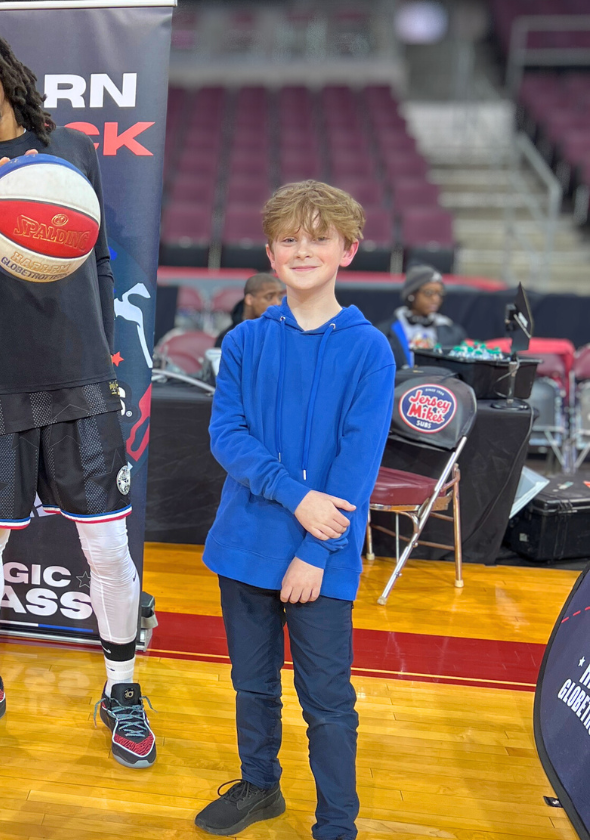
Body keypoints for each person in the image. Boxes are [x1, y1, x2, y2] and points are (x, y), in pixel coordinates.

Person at [0, 20, 155, 768]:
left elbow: (102, 257)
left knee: (105, 545)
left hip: (81, 381)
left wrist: (98, 336)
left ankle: (121, 687)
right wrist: (16, 193)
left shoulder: (75, 148)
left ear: (0, 67)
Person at [195, 180, 395, 839]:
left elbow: (358, 463)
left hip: (321, 556)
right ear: (270, 254)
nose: (303, 250)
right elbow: (228, 436)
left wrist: (315, 549)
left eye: (319, 238)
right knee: (251, 685)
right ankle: (261, 787)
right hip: (246, 544)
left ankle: (337, 822)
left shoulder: (369, 348)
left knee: (328, 703)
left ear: (348, 250)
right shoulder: (249, 342)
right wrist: (296, 495)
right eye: (289, 239)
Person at [378, 263, 467, 367]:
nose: (435, 299)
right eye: (428, 293)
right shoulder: (386, 332)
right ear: (412, 295)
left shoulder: (453, 333)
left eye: (439, 294)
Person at [214, 272, 284, 348]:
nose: (277, 303)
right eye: (269, 297)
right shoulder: (229, 338)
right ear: (250, 299)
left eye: (279, 297)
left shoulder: (285, 334)